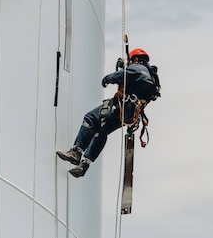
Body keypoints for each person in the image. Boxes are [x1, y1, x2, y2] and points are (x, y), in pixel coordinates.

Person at [56, 48, 160, 178]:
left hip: (121, 106)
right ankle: (85, 165)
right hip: (128, 115)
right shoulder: (151, 77)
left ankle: (76, 152)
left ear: (136, 59)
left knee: (90, 118)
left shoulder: (137, 69)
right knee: (102, 131)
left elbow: (120, 76)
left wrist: (107, 79)